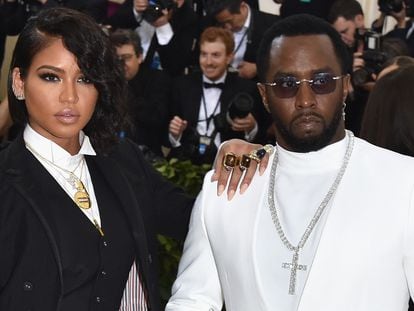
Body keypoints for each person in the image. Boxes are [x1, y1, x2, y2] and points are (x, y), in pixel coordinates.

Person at [0, 7, 265, 310]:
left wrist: (245, 157)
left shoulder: (122, 159)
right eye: (51, 77)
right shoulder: (6, 184)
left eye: (85, 78)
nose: (70, 96)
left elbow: (199, 219)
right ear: (19, 82)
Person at [166, 14, 414, 311]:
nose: (305, 99)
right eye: (286, 84)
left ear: (345, 85)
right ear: (264, 95)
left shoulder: (402, 182)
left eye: (322, 81)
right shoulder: (224, 189)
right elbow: (191, 301)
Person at [167, 26, 266, 164]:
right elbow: (166, 137)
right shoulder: (181, 86)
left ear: (229, 57)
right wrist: (174, 134)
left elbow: (261, 142)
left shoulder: (246, 89)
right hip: (186, 163)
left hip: (230, 166)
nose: (208, 62)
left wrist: (251, 127)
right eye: (204, 54)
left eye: (215, 55)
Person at [109, 28, 171, 159]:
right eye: (116, 59)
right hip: (109, 155)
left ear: (140, 56)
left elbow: (156, 119)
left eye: (126, 58)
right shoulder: (105, 82)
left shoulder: (157, 80)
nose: (121, 64)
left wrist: (124, 88)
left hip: (146, 156)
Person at [107, 0, 198, 77]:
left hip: (161, 79)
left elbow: (176, 64)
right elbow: (113, 27)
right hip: (127, 72)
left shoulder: (187, 16)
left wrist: (163, 26)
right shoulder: (140, 2)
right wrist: (135, 12)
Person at [204, 0, 279, 80]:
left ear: (242, 7)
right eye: (222, 23)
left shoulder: (273, 25)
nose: (227, 27)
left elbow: (283, 61)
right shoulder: (208, 24)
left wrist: (258, 68)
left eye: (229, 21)